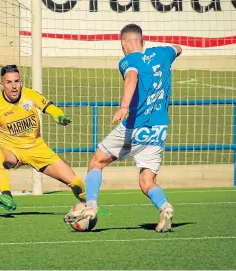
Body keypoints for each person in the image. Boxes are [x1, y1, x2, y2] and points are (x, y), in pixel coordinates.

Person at [64, 24, 182, 232]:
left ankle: (90, 206)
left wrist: (124, 106)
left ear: (123, 44)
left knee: (97, 162)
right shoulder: (163, 53)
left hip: (136, 125)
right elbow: (178, 48)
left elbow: (132, 77)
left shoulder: (128, 60)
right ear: (142, 40)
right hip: (159, 130)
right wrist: (161, 54)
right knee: (147, 180)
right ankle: (164, 206)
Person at [0, 64, 85, 212]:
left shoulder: (30, 95)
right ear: (2, 85)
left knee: (75, 182)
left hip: (38, 149)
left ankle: (90, 205)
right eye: (9, 82)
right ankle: (7, 197)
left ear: (21, 83)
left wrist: (59, 115)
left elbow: (49, 107)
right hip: (12, 151)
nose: (14, 86)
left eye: (17, 81)